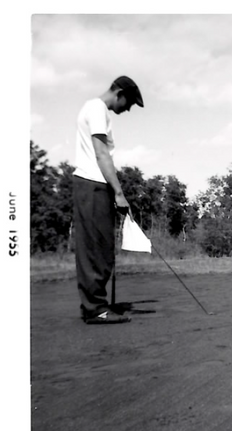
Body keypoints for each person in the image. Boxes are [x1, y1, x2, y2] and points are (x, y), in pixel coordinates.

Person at [73, 76, 144, 323]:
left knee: (99, 246)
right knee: (95, 247)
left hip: (93, 185)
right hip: (93, 184)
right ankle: (95, 309)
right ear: (119, 93)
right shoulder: (96, 108)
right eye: (129, 103)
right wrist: (119, 193)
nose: (128, 109)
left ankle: (94, 305)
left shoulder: (95, 108)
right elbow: (101, 153)